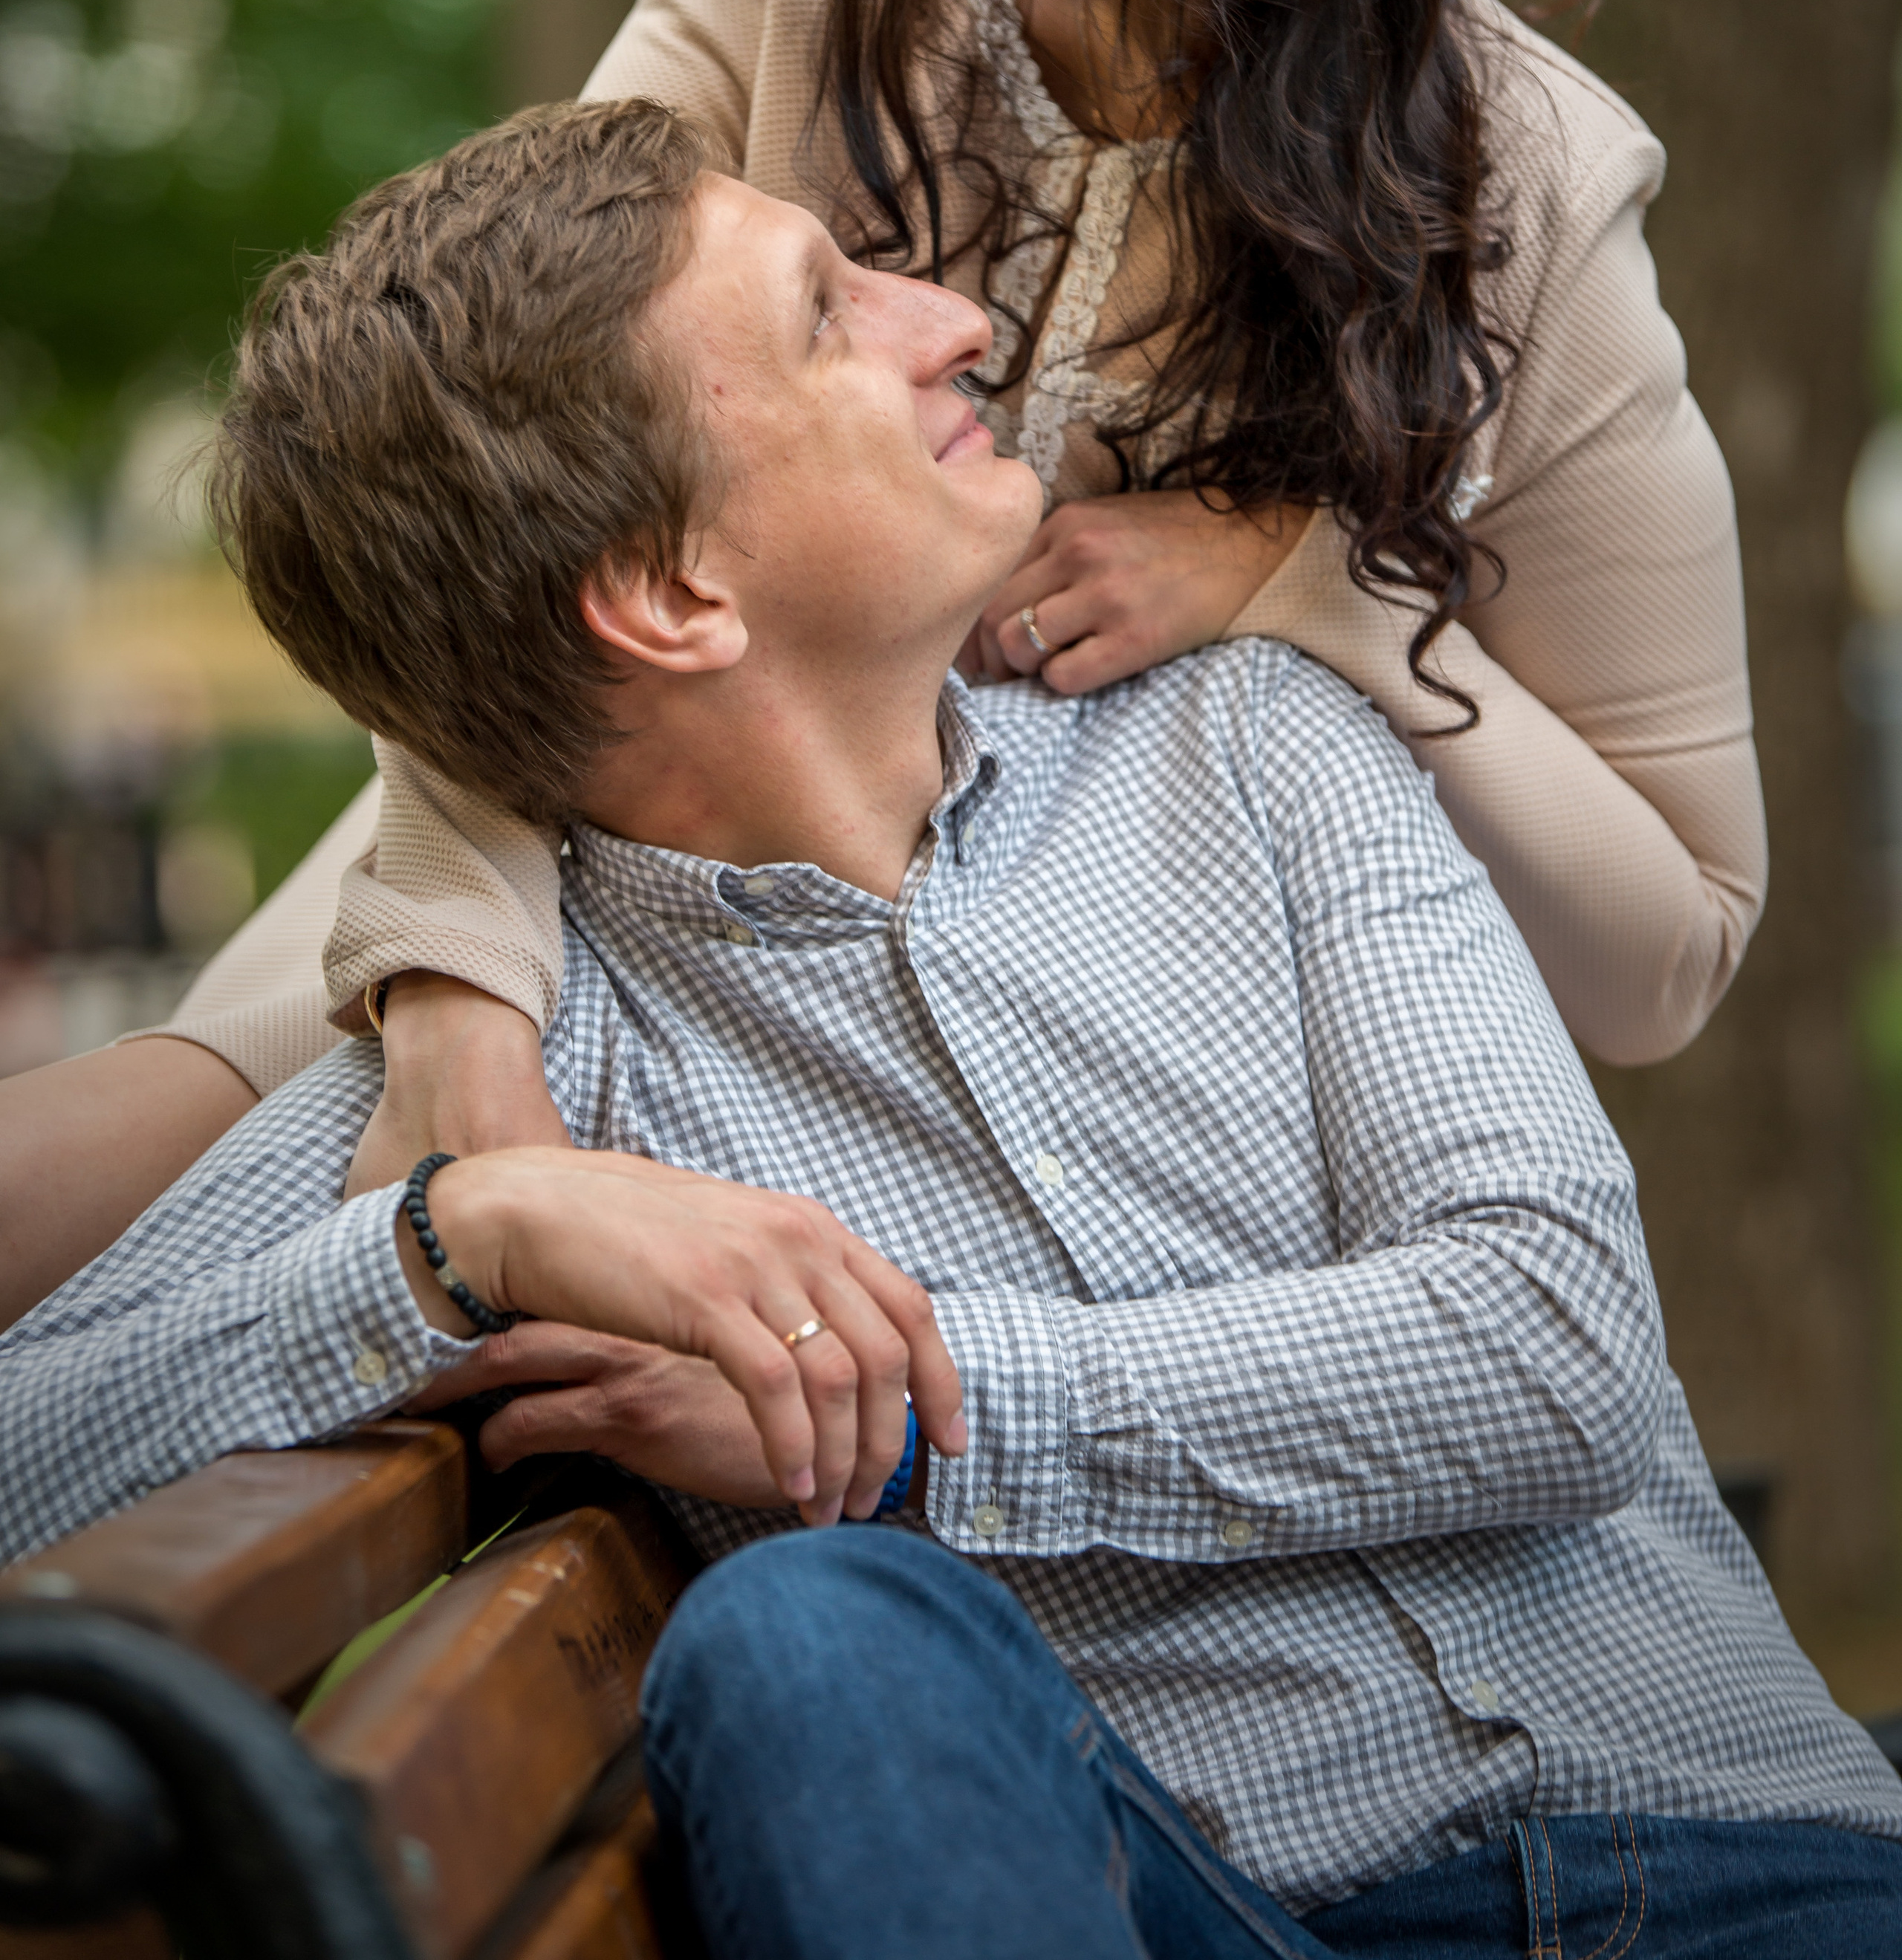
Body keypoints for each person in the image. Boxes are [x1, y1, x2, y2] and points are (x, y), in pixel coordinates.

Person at [0, 0, 1767, 1323]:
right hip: (579, 875)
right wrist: (459, 988)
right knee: (207, 1120)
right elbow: (487, 481)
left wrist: (1305, 586)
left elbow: (1674, 950)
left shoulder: (1516, 186)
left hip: (1150, 1098)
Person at [0, 102, 1889, 1960]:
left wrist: (904, 1421)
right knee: (808, 1635)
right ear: (669, 594)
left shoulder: (1253, 744)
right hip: (1205, 1909)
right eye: (831, 312)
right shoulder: (517, 1100)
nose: (960, 321)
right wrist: (449, 1246)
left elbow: (1547, 1345)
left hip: (1750, 1863)